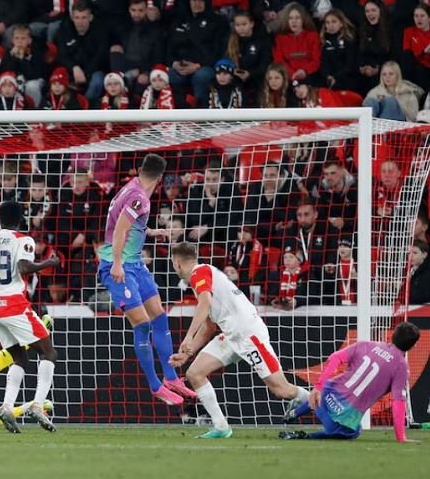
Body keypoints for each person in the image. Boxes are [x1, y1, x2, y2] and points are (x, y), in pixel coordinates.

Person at [169, 242, 310, 438]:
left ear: (176, 263)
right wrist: (186, 352)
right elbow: (209, 325)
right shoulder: (205, 278)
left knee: (282, 390)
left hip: (248, 335)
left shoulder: (199, 272)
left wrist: (188, 336)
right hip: (231, 335)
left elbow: (205, 303)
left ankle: (317, 402)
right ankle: (221, 427)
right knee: (195, 373)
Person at [97, 153, 195, 406]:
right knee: (142, 323)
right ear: (160, 178)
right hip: (117, 265)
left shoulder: (131, 187)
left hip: (135, 265)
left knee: (159, 316)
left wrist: (152, 231)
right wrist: (117, 263)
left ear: (140, 169)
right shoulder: (139, 197)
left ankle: (172, 377)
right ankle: (155, 386)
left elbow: (129, 224)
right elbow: (119, 229)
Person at [0, 200, 60, 433]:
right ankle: (38, 404)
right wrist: (49, 262)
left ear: (0, 218)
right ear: (20, 219)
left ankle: (7, 406)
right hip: (14, 305)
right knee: (49, 351)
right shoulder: (23, 239)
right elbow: (24, 267)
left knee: (20, 358)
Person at [281, 321, 421, 443]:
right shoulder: (401, 367)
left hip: (325, 398)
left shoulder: (367, 345)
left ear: (393, 334)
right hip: (340, 419)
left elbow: (335, 357)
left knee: (327, 388)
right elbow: (398, 402)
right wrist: (401, 437)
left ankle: (294, 414)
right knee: (354, 431)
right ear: (413, 346)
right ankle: (305, 437)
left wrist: (318, 387)